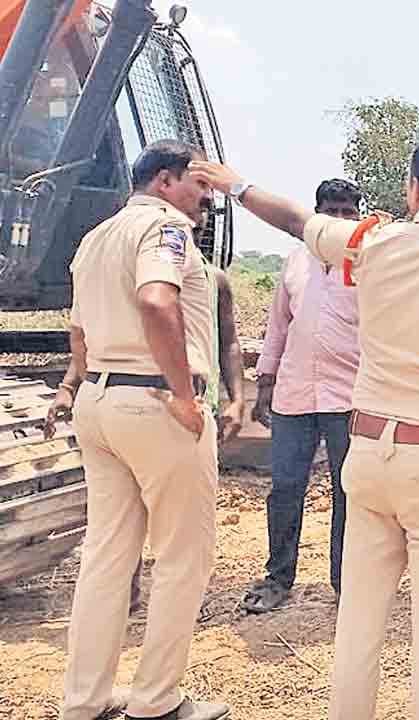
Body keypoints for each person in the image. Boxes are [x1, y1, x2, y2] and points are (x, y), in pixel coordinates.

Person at [189, 121, 419, 720]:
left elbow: (295, 220)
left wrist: (235, 183)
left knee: (357, 625)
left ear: (414, 187)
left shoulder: (371, 245)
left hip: (370, 456)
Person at [57, 140, 228, 720]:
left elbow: (77, 334)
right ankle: (157, 700)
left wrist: (73, 387)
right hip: (155, 402)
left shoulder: (96, 238)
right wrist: (184, 395)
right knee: (184, 556)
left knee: (107, 555)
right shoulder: (165, 229)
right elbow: (157, 302)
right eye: (196, 184)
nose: (205, 197)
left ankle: (85, 701)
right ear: (163, 181)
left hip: (100, 398)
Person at [46, 215, 247, 619]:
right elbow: (91, 339)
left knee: (172, 518)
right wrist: (70, 386)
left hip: (187, 403)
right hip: (155, 399)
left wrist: (235, 398)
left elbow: (229, 342)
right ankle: (130, 594)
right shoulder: (141, 278)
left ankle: (171, 603)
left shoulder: (213, 282)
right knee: (128, 514)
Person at [241, 178, 362, 614]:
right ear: (316, 215)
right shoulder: (295, 262)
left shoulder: (367, 264)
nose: (342, 220)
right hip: (294, 395)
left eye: (350, 212)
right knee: (286, 487)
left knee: (350, 490)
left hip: (351, 397)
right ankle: (278, 578)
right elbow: (277, 328)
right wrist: (264, 384)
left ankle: (345, 582)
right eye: (333, 211)